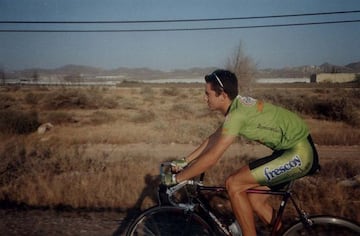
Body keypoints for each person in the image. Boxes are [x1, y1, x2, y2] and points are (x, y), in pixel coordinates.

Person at [162, 69, 319, 236]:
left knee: (234, 184)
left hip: (300, 153)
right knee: (254, 199)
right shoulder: (236, 106)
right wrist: (185, 161)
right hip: (290, 150)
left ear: (222, 94)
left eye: (207, 94)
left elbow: (212, 158)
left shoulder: (237, 115)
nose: (204, 98)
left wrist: (177, 178)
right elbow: (214, 138)